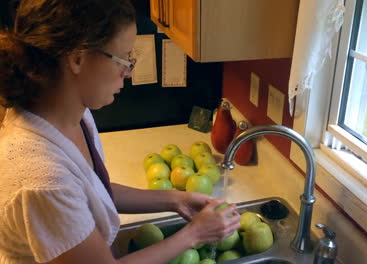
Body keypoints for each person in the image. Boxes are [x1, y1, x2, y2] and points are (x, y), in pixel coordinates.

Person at [0, 0, 240, 263]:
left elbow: (93, 191)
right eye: (123, 58)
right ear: (77, 58)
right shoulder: (41, 181)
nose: (128, 71)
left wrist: (175, 199)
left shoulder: (72, 115)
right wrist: (194, 235)